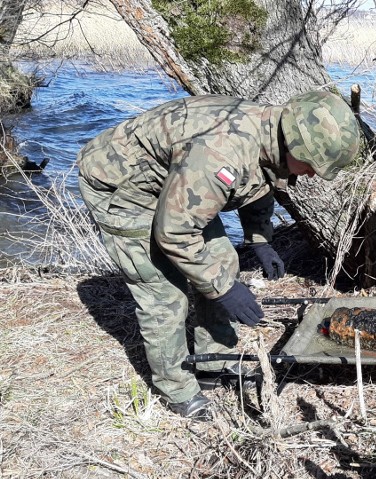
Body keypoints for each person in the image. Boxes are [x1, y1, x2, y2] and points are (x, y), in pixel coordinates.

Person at [77, 91, 360, 420]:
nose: (312, 173)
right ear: (295, 144)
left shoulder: (271, 132)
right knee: (165, 293)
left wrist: (259, 239)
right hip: (123, 186)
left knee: (223, 261)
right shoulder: (221, 153)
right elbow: (175, 232)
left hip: (179, 180)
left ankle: (214, 362)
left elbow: (260, 178)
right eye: (312, 165)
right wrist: (223, 289)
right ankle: (177, 388)